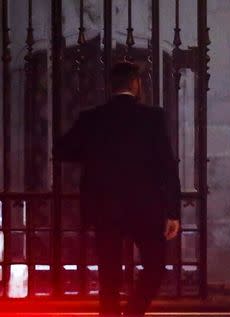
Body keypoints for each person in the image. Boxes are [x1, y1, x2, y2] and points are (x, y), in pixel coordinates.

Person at [53, 62, 181, 317]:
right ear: (135, 85)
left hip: (104, 205)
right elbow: (167, 165)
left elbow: (62, 150)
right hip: (145, 205)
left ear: (110, 87)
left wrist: (94, 153)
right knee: (155, 268)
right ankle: (134, 312)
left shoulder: (92, 117)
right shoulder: (152, 117)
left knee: (108, 276)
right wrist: (173, 211)